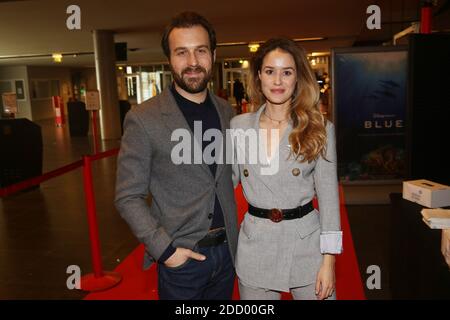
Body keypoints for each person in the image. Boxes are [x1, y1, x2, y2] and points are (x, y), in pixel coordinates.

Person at [115, 12, 238, 300]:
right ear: (169, 58)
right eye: (182, 52)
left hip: (229, 253)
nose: (193, 62)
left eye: (201, 51)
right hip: (183, 260)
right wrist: (166, 251)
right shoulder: (144, 118)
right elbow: (127, 196)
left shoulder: (226, 110)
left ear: (213, 55)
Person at [230, 38, 342, 300]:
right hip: (256, 247)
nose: (278, 81)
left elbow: (329, 199)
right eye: (270, 71)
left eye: (287, 72)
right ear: (259, 77)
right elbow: (223, 183)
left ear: (297, 78)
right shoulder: (239, 127)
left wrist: (329, 262)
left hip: (307, 248)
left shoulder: (320, 128)